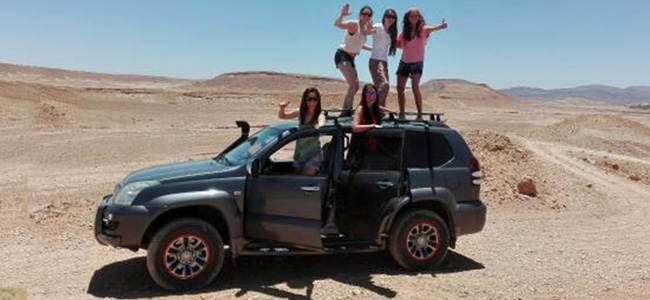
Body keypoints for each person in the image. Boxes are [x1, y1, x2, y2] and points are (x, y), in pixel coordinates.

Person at [396, 8, 448, 119]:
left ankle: (420, 115)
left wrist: (441, 26)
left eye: (416, 16)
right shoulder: (404, 32)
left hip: (417, 63)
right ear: (408, 18)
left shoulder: (423, 30)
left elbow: (433, 28)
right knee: (400, 88)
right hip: (404, 62)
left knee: (415, 87)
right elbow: (399, 45)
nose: (414, 18)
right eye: (411, 16)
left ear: (419, 17)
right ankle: (402, 114)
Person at [334, 3, 373, 116]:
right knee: (353, 84)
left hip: (351, 59)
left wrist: (372, 49)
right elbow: (337, 24)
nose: (366, 16)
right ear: (360, 15)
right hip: (342, 55)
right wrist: (342, 15)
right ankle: (348, 111)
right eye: (364, 13)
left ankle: (344, 111)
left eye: (369, 14)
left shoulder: (365, 29)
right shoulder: (353, 24)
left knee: (355, 86)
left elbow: (359, 44)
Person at [278, 87, 325, 175]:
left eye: (315, 99)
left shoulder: (319, 114)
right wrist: (282, 107)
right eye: (309, 99)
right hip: (300, 153)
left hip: (313, 154)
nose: (312, 102)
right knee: (298, 180)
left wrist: (318, 126)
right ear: (305, 100)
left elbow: (322, 123)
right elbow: (283, 116)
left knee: (306, 178)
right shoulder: (300, 112)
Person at [364, 9, 398, 107]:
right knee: (384, 84)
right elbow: (367, 32)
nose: (391, 19)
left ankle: (378, 110)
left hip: (384, 62)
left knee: (383, 88)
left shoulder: (391, 33)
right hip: (375, 61)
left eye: (393, 17)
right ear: (384, 17)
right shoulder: (379, 27)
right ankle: (369, 106)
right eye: (388, 16)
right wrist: (369, 28)